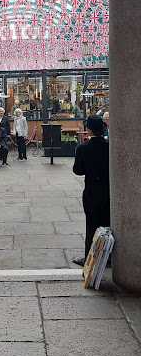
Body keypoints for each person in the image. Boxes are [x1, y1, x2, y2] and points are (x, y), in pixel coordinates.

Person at [72, 114, 110, 267]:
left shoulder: (83, 147)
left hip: (92, 191)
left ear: (89, 130)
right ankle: (109, 256)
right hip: (108, 190)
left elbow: (78, 170)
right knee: (107, 223)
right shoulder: (109, 146)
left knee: (92, 225)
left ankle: (90, 258)